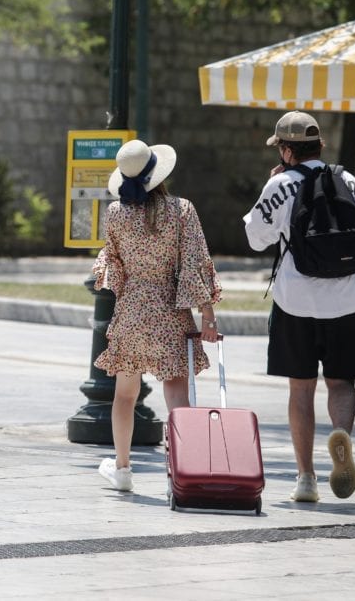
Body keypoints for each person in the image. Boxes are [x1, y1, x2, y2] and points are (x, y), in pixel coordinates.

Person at [243, 111, 355, 502]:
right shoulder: (348, 180)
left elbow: (255, 239)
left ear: (285, 149)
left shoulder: (280, 184)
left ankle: (306, 479)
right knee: (341, 382)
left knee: (301, 388)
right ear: (319, 146)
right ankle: (342, 436)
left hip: (294, 302)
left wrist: (270, 186)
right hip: (345, 301)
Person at [91, 139, 222, 492]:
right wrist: (207, 315)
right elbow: (194, 264)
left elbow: (112, 268)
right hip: (170, 310)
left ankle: (122, 469)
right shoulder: (181, 210)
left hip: (132, 310)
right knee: (177, 395)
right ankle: (184, 471)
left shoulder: (116, 213)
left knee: (124, 395)